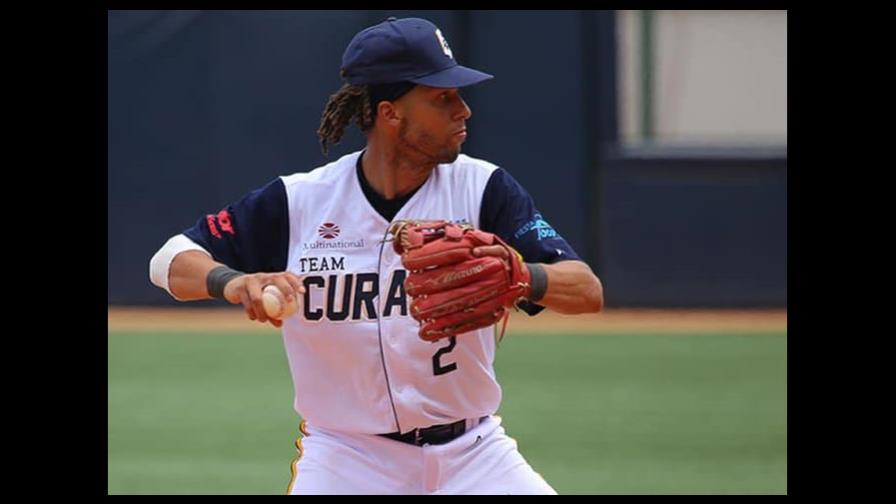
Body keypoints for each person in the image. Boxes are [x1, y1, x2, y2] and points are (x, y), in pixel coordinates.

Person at [149, 16, 603, 495]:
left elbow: (586, 290)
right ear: (391, 114)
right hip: (347, 458)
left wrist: (523, 277)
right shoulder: (300, 201)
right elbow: (169, 260)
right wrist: (232, 281)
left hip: (475, 453)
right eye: (442, 97)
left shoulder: (484, 188)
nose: (464, 110)